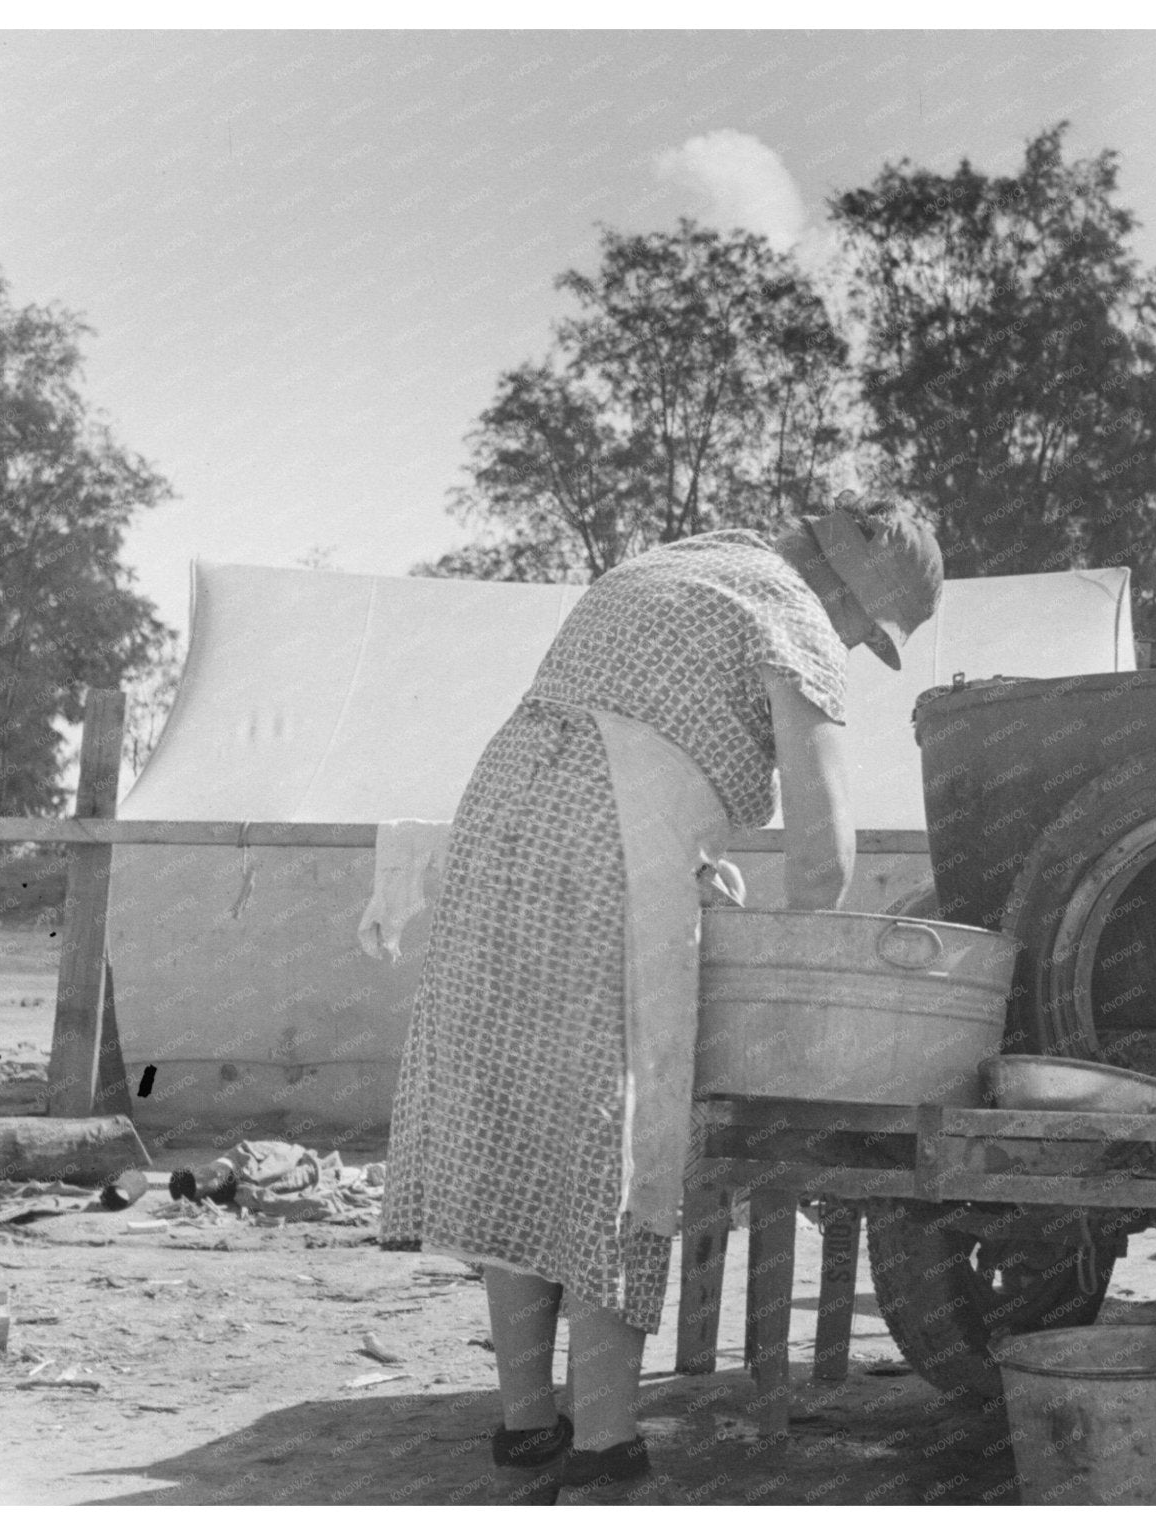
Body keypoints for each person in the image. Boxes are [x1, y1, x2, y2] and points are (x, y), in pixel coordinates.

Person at [381, 502, 943, 1504]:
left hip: (495, 828)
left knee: (520, 1132)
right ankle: (604, 1452)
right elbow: (823, 856)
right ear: (849, 593)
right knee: (620, 1143)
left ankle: (525, 1430)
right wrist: (785, 979)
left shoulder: (666, 567)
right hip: (607, 854)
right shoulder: (794, 617)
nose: (856, 646)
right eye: (867, 629)